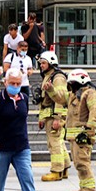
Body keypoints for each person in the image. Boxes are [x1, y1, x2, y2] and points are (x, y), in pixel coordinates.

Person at [64, 69, 96, 191]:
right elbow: (60, 98)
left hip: (83, 136)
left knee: (83, 162)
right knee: (78, 162)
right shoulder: (76, 95)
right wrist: (50, 89)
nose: (70, 86)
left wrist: (89, 130)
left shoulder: (90, 94)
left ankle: (89, 190)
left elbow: (95, 111)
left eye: (72, 83)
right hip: (75, 136)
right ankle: (83, 187)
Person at [36, 51, 71, 181]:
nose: (41, 65)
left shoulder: (58, 78)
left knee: (54, 143)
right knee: (58, 142)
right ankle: (65, 167)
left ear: (51, 63)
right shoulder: (48, 76)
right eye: (41, 63)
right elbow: (43, 99)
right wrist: (41, 118)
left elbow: (60, 98)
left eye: (44, 63)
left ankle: (56, 170)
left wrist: (58, 118)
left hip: (55, 115)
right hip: (49, 114)